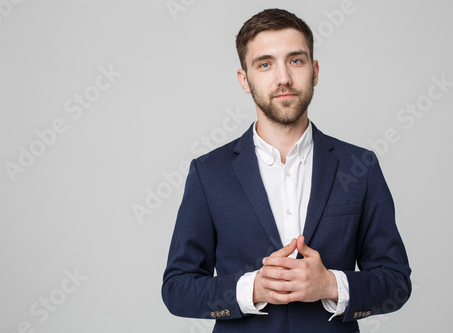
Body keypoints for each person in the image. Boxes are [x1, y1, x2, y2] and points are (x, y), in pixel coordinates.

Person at [162, 8, 411, 333]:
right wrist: (253, 290)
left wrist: (331, 285)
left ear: (315, 70)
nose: (283, 78)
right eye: (265, 64)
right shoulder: (208, 174)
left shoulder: (360, 166)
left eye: (295, 60)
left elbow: (396, 283)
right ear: (244, 79)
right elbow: (177, 289)